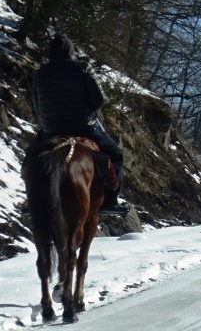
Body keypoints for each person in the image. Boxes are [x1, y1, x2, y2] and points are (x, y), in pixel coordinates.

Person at [25, 33, 128, 215]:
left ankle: (32, 198)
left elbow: (36, 106)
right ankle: (110, 200)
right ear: (71, 51)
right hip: (83, 126)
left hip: (51, 129)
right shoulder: (83, 68)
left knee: (30, 158)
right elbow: (99, 99)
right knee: (115, 154)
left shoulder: (41, 73)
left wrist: (49, 120)